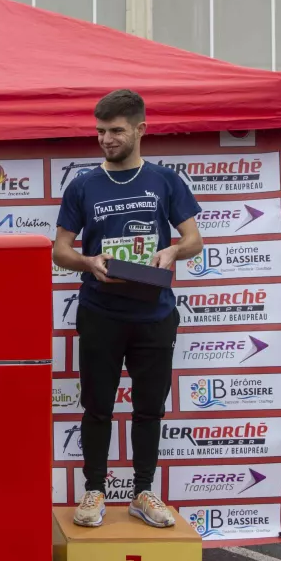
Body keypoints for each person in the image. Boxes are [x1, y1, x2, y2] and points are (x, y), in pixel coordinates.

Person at [52, 89, 204, 529]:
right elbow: (60, 250)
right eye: (100, 131)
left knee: (149, 408)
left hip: (154, 313)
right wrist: (88, 262)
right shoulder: (83, 185)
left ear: (140, 130)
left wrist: (173, 251)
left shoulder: (165, 180)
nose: (106, 139)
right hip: (100, 311)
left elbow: (194, 239)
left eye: (116, 130)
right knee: (97, 406)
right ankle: (94, 491)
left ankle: (143, 491)